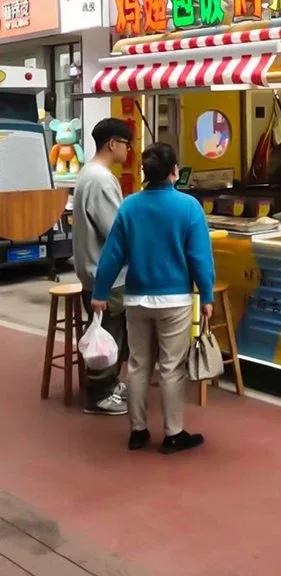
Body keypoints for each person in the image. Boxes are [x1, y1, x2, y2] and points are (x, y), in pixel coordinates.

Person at [91, 142, 215, 455]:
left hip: (136, 298)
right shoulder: (188, 207)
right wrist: (208, 294)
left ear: (146, 173)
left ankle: (138, 431)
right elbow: (199, 257)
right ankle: (173, 434)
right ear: (174, 171)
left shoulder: (130, 206)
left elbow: (112, 255)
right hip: (175, 300)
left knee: (137, 365)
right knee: (172, 367)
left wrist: (100, 292)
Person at [72, 118, 132, 416]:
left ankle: (106, 384)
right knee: (109, 334)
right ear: (113, 144)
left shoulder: (89, 174)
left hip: (92, 269)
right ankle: (100, 393)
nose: (128, 151)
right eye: (126, 144)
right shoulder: (101, 180)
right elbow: (116, 231)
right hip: (106, 274)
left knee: (107, 331)